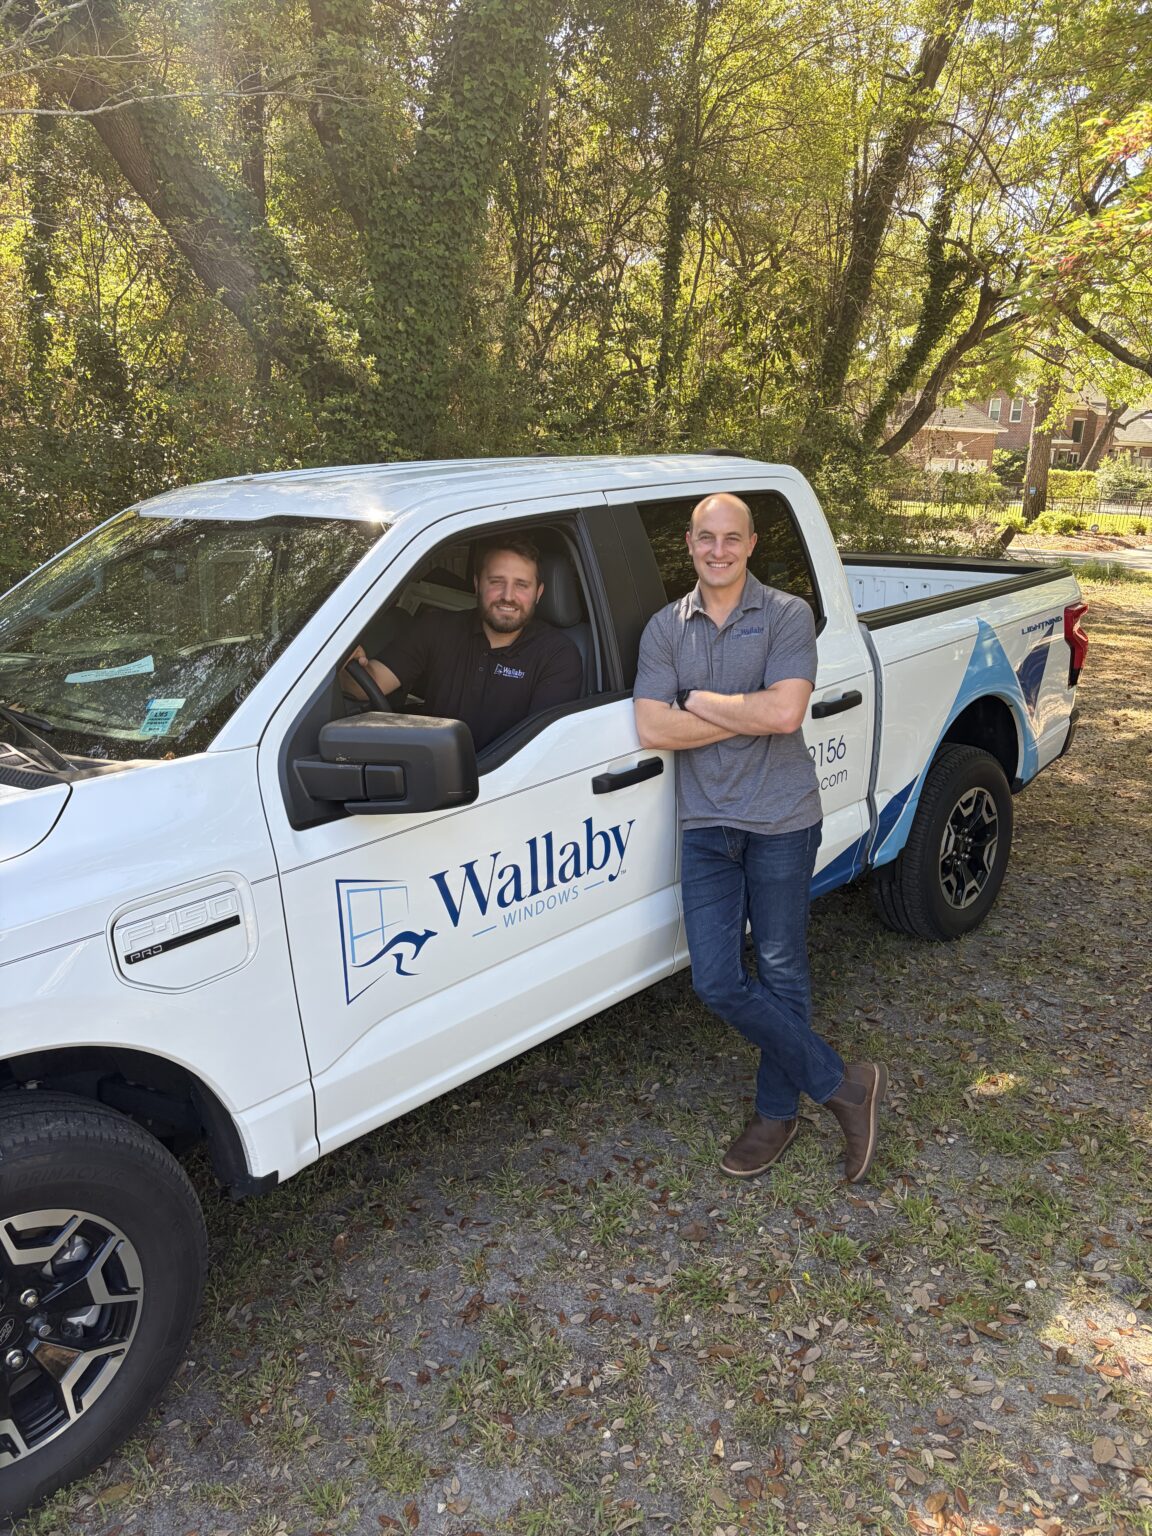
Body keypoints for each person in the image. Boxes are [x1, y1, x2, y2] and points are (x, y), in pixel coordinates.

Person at [633, 492, 886, 1183]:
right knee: (716, 980)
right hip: (706, 823)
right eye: (706, 538)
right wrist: (752, 712)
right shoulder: (664, 629)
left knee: (779, 971)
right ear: (689, 543)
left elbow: (785, 713)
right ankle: (844, 1084)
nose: (718, 550)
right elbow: (654, 729)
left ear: (750, 544)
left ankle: (776, 1112)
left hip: (781, 819)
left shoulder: (786, 614)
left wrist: (703, 702)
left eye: (731, 538)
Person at [344, 537, 583, 752]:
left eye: (522, 585)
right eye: (497, 581)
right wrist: (347, 663)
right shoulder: (437, 627)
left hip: (502, 785)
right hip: (429, 772)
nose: (508, 596)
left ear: (538, 593)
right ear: (478, 585)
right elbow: (366, 685)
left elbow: (541, 751)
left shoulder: (557, 655)